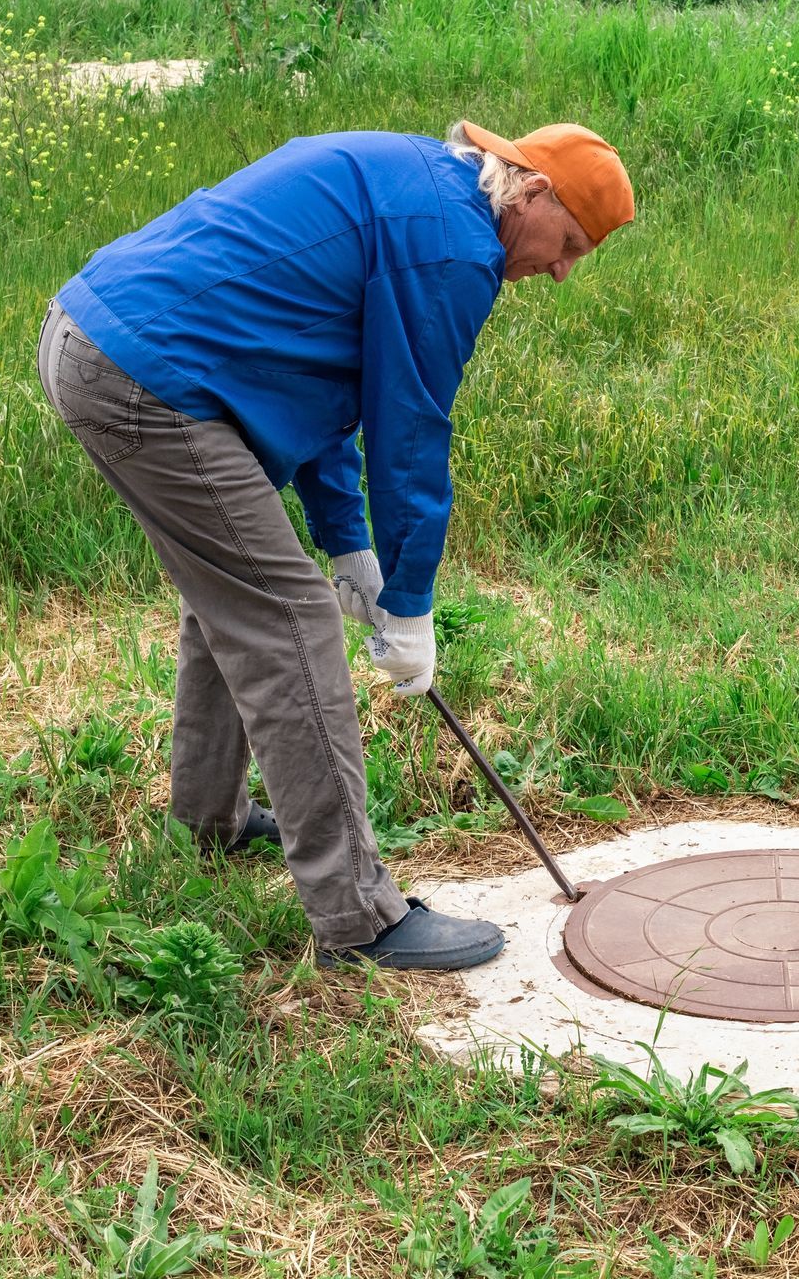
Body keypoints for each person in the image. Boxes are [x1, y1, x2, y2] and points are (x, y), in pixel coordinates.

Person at [35, 121, 634, 969]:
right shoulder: (454, 249)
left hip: (101, 338)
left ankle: (209, 820)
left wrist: (350, 542)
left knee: (238, 596)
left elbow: (317, 368)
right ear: (533, 192)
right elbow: (410, 428)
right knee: (288, 618)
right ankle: (359, 919)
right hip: (148, 374)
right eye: (568, 242)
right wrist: (412, 602)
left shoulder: (424, 187)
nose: (563, 270)